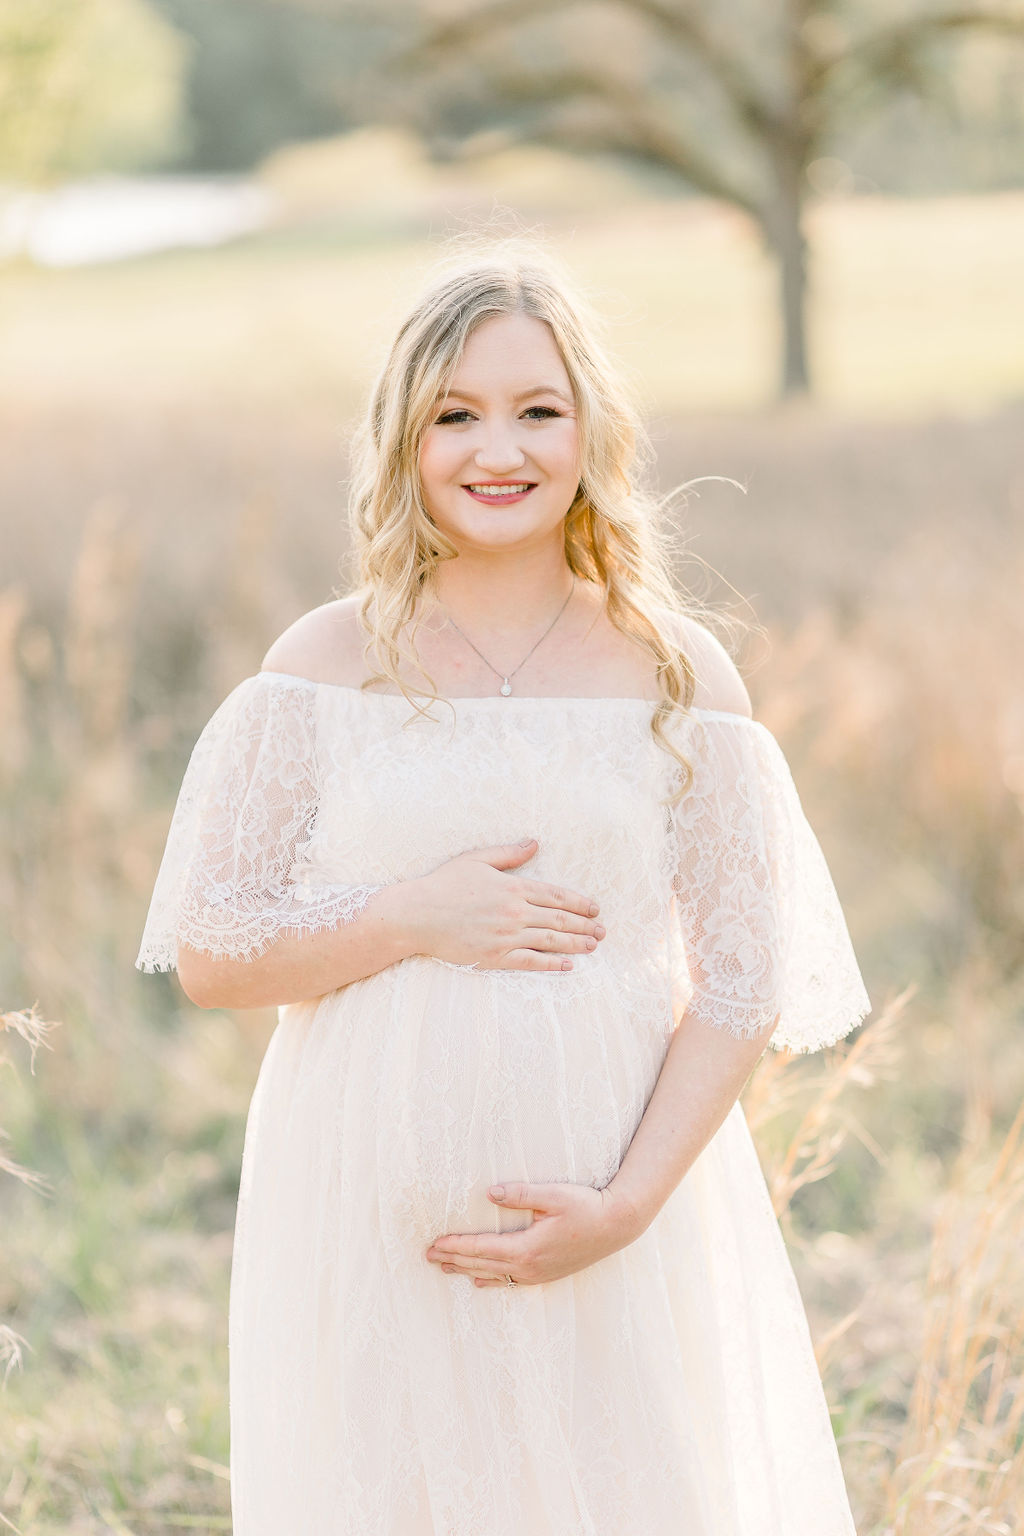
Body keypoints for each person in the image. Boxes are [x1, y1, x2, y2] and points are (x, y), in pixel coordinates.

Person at [136, 240, 871, 1535]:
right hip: (364, 1209)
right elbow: (212, 948)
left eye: (539, 410)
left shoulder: (676, 672)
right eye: (457, 414)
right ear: (405, 438)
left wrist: (625, 1206)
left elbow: (746, 978)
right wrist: (404, 917)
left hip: (613, 1213)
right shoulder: (322, 664)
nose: (500, 450)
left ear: (593, 431)